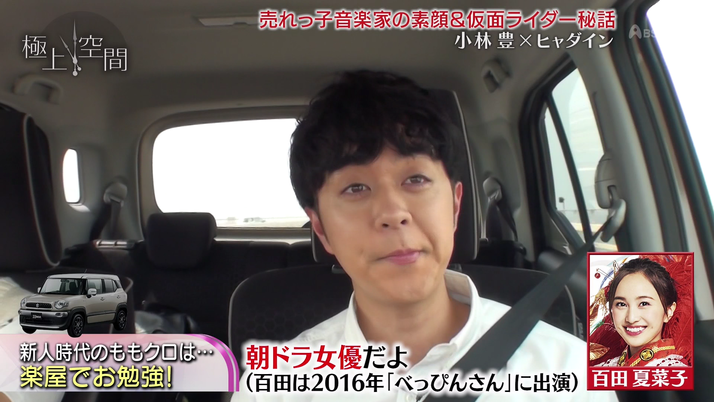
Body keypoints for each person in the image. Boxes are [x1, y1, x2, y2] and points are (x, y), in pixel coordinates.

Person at [232, 70, 618, 401]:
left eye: (415, 179)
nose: (393, 213)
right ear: (321, 230)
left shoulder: (567, 370)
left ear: (455, 206)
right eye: (355, 188)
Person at [591, 256, 691, 367]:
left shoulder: (673, 370)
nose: (631, 318)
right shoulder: (604, 367)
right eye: (621, 304)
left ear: (669, 311)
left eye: (644, 304)